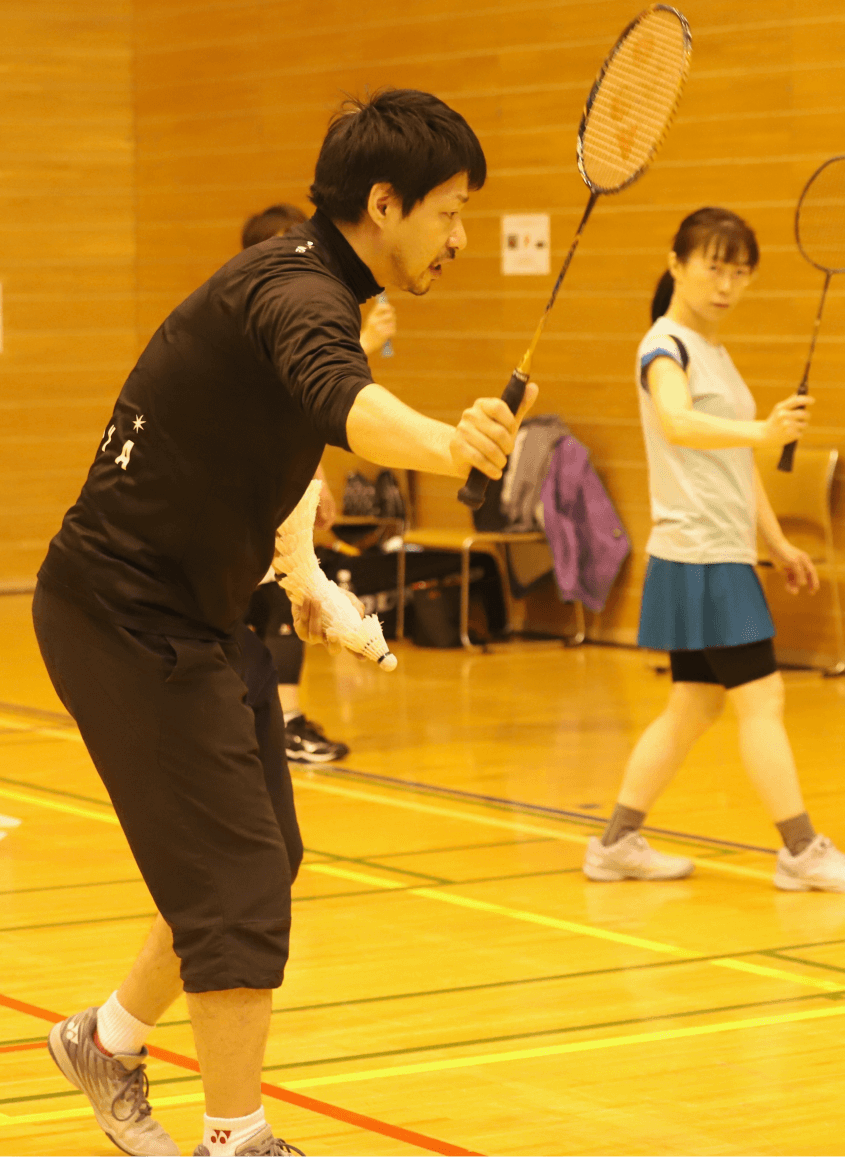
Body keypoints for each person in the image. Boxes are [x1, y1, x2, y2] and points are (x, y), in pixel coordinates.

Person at [34, 89, 533, 1157]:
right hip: (119, 612)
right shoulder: (302, 292)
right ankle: (238, 1137)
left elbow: (265, 457)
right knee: (235, 882)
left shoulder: (303, 284)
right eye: (447, 212)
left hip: (202, 609)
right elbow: (339, 398)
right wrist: (451, 447)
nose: (459, 238)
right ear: (384, 202)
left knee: (258, 858)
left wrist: (298, 580)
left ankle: (105, 1041)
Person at [583, 207, 845, 894]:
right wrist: (762, 429)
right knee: (762, 699)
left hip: (715, 550)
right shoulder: (665, 346)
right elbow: (679, 422)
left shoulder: (715, 351)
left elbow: (735, 463)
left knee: (693, 704)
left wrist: (775, 541)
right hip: (700, 554)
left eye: (740, 271)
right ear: (677, 264)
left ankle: (615, 841)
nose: (726, 283)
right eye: (713, 266)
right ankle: (802, 850)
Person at [239, 204, 397, 764]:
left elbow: (302, 416)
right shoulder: (248, 327)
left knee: (283, 605)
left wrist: (317, 482)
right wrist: (367, 343)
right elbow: (303, 389)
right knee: (268, 608)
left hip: (279, 499)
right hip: (238, 507)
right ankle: (274, 722)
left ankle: (281, 720)